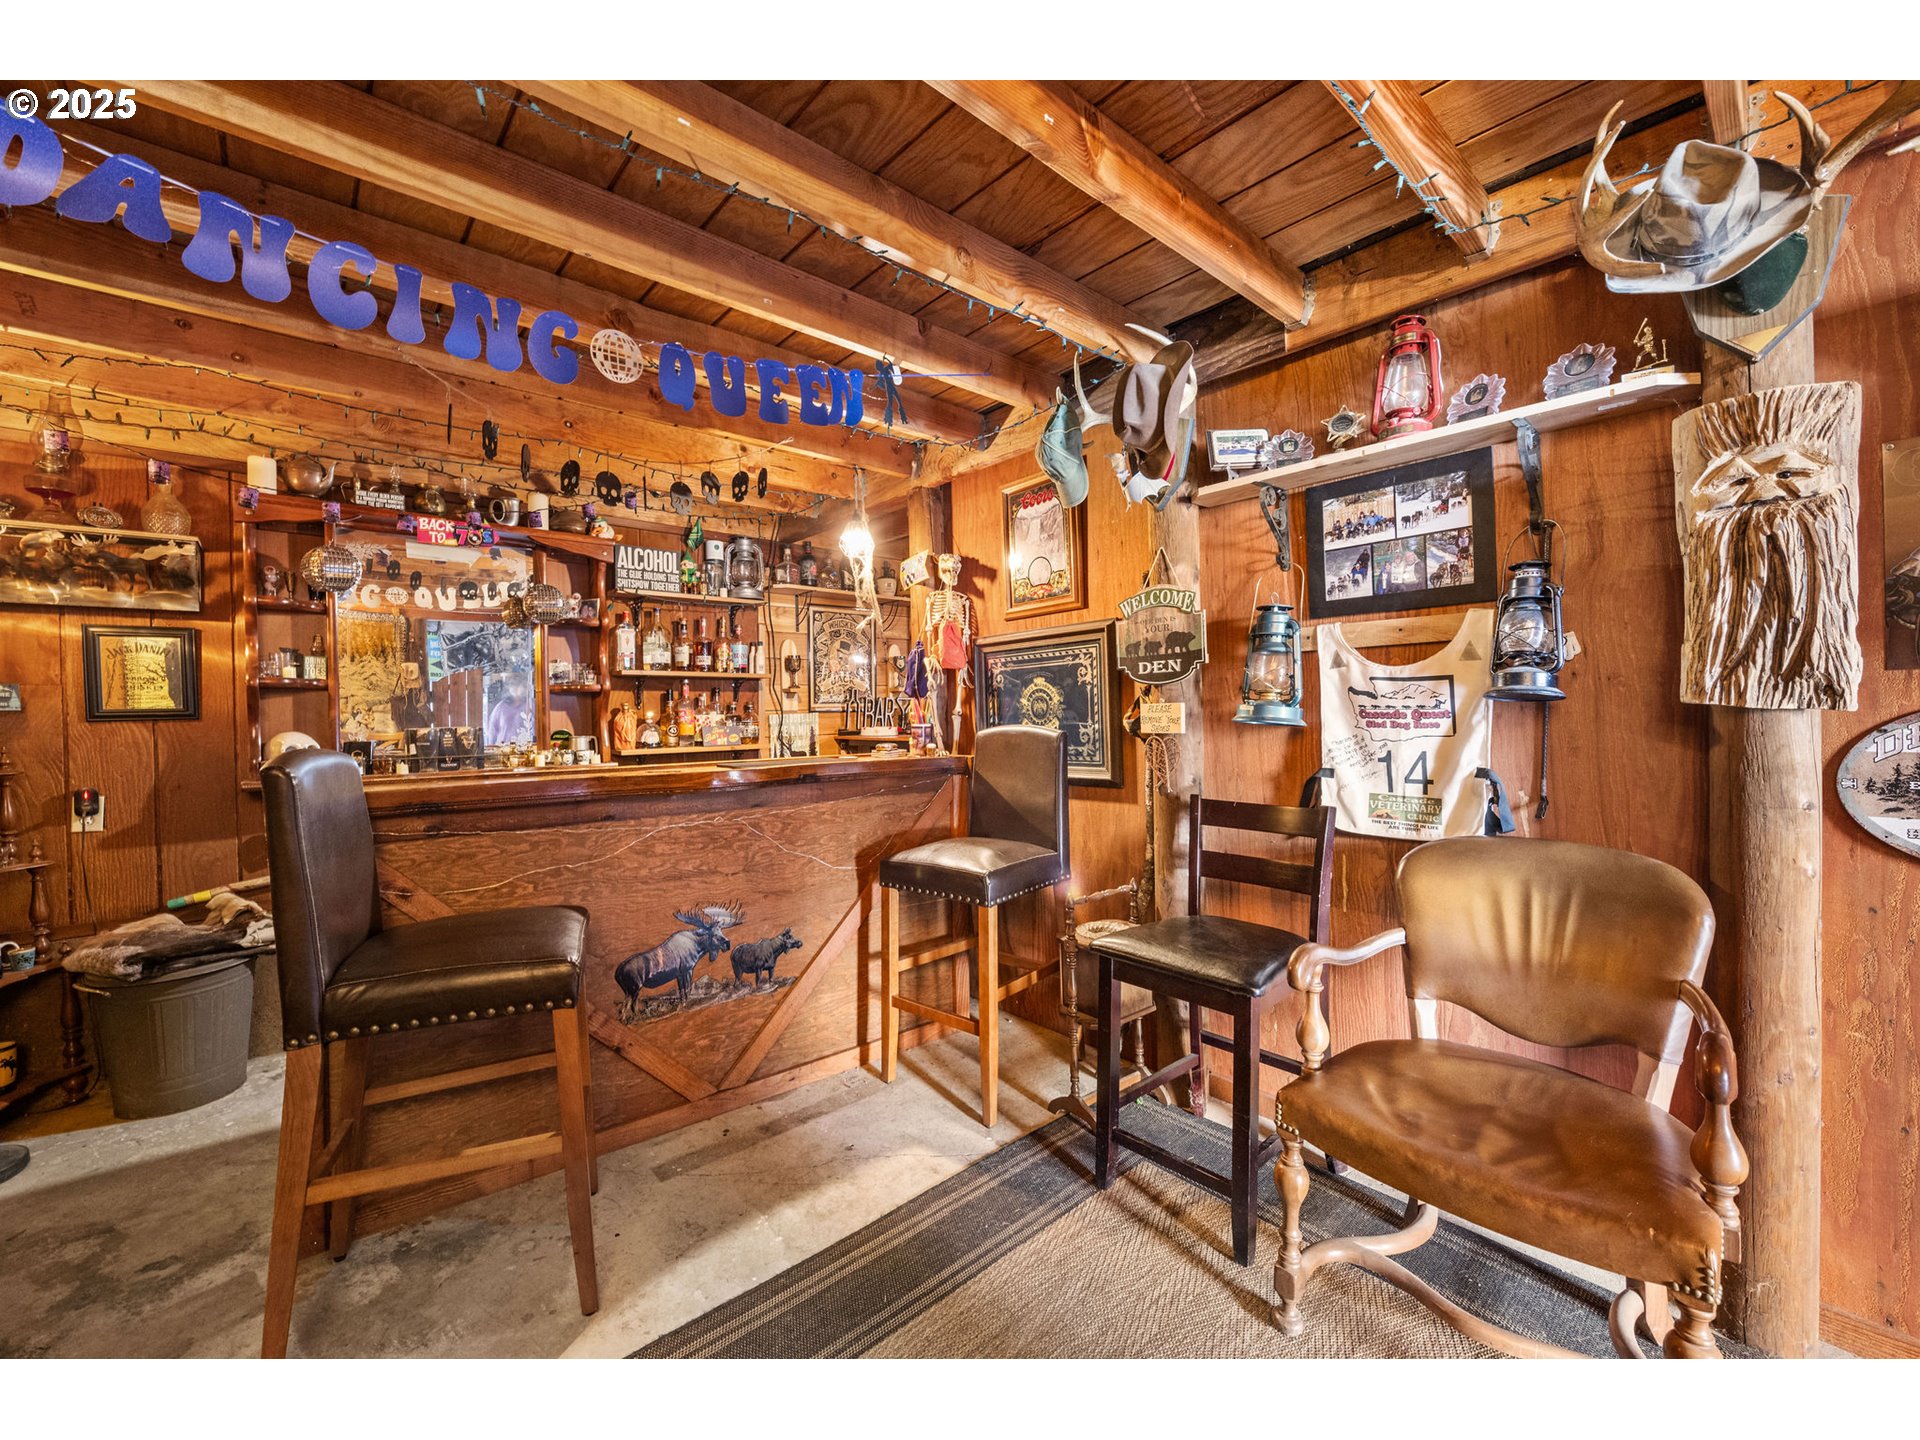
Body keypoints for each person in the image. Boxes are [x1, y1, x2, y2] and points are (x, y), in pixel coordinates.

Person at [486, 671, 533, 746]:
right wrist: (492, 749)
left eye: (518, 684)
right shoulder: (500, 707)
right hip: (503, 750)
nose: (515, 688)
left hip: (525, 750)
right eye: (512, 685)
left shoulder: (530, 705)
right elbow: (492, 731)